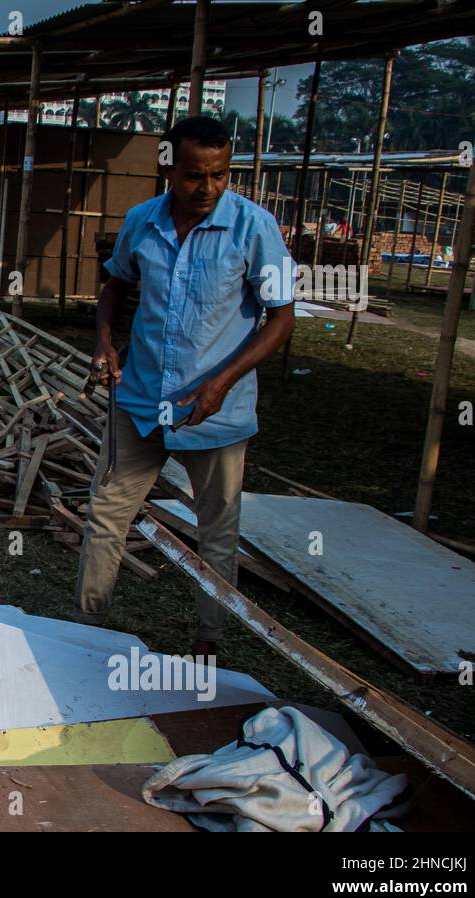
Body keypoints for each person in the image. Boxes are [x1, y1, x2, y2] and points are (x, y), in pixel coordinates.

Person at [76, 116, 295, 658]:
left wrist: (222, 383)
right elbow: (115, 285)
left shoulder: (254, 228)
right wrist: (105, 342)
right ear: (168, 165)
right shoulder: (141, 223)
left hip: (215, 409)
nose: (208, 188)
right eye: (196, 175)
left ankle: (209, 641)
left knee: (217, 530)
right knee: (107, 514)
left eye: (220, 175)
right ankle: (86, 630)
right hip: (141, 398)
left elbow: (282, 318)